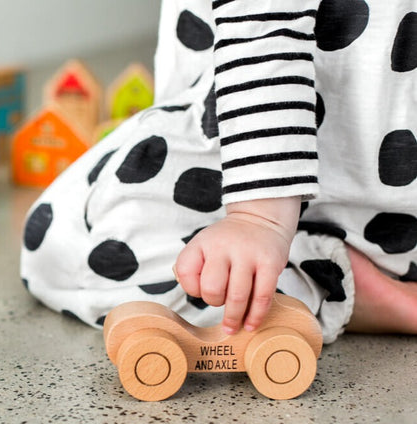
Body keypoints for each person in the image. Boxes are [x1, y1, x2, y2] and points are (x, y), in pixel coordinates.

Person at [21, 0, 417, 344]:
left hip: (264, 165)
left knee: (64, 244)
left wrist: (259, 218)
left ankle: (336, 285)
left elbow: (263, 31)